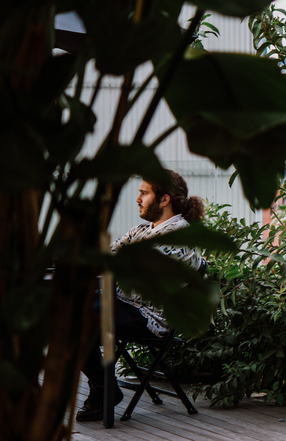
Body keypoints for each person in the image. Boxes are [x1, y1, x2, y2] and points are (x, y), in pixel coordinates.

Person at [77, 171, 206, 422]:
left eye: (144, 193)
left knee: (76, 319)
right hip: (123, 303)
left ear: (164, 199)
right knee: (68, 312)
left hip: (149, 316)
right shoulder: (142, 230)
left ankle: (103, 389)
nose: (138, 199)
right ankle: (104, 386)